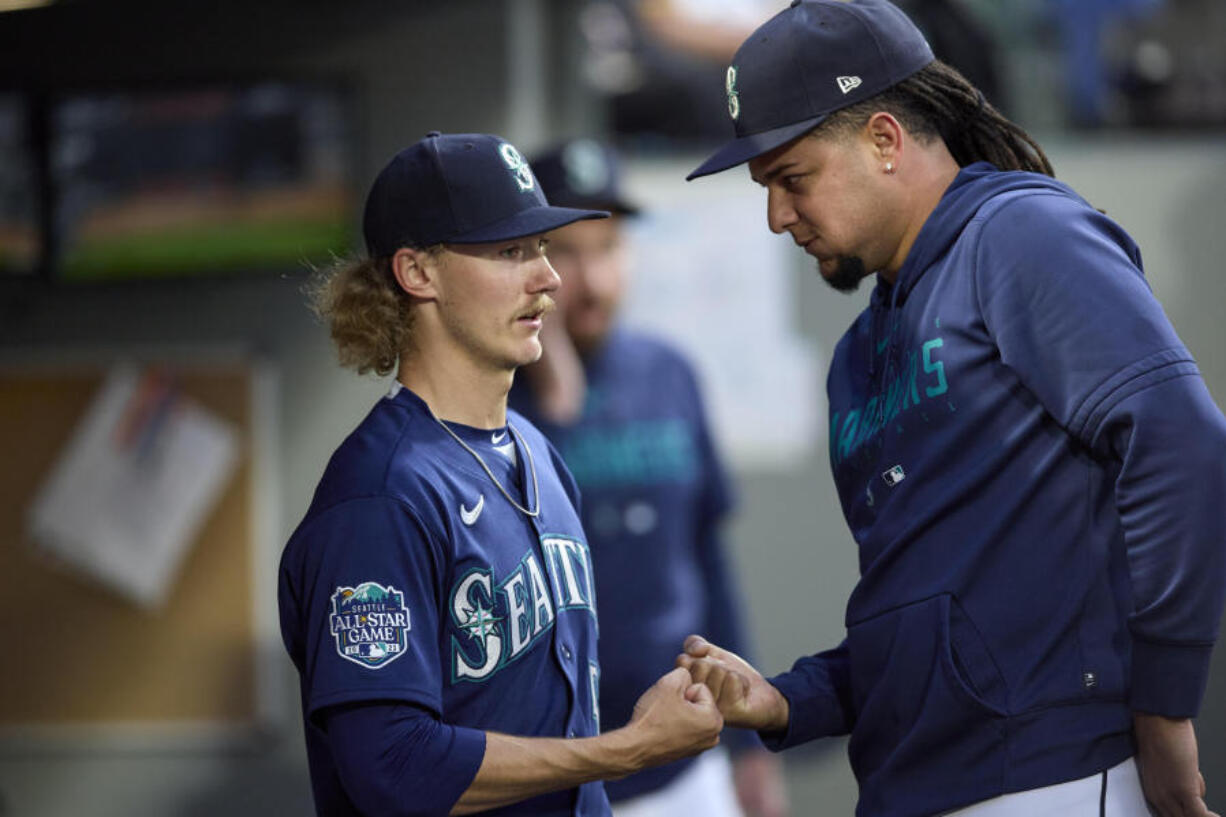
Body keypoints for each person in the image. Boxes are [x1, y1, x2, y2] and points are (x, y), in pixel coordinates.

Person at [675, 2, 1226, 816]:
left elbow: (1181, 443)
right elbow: (926, 606)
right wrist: (793, 699)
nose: (777, 217)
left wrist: (1164, 705)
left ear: (886, 141)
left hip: (1051, 772)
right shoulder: (859, 355)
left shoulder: (1020, 231)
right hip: (912, 781)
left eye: (793, 181)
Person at [277, 131, 724, 817]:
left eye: (540, 248)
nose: (547, 277)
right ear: (417, 272)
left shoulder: (535, 450)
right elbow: (390, 765)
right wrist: (628, 747)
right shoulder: (380, 496)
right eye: (509, 251)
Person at [508, 138, 790, 817]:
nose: (593, 278)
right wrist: (547, 377)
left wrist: (749, 750)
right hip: (548, 772)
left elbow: (707, 560)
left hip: (684, 764)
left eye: (606, 250)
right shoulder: (494, 399)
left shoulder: (670, 374)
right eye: (567, 253)